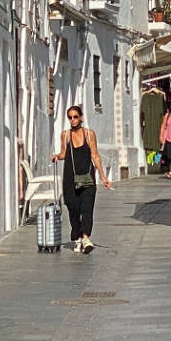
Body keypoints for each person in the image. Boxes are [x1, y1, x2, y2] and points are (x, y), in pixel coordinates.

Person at [51, 105, 112, 252]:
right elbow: (64, 153)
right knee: (73, 208)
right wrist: (57, 156)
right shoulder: (65, 135)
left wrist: (103, 177)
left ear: (81, 117)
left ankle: (85, 238)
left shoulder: (89, 134)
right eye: (70, 117)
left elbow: (95, 155)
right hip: (70, 177)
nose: (73, 120)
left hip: (87, 177)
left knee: (87, 207)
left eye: (75, 117)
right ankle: (77, 237)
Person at [140, 78, 167, 171]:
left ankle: (152, 164)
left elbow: (141, 114)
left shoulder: (156, 97)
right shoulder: (156, 97)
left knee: (152, 144)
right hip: (156, 126)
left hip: (150, 125)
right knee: (156, 145)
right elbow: (164, 113)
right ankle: (155, 164)